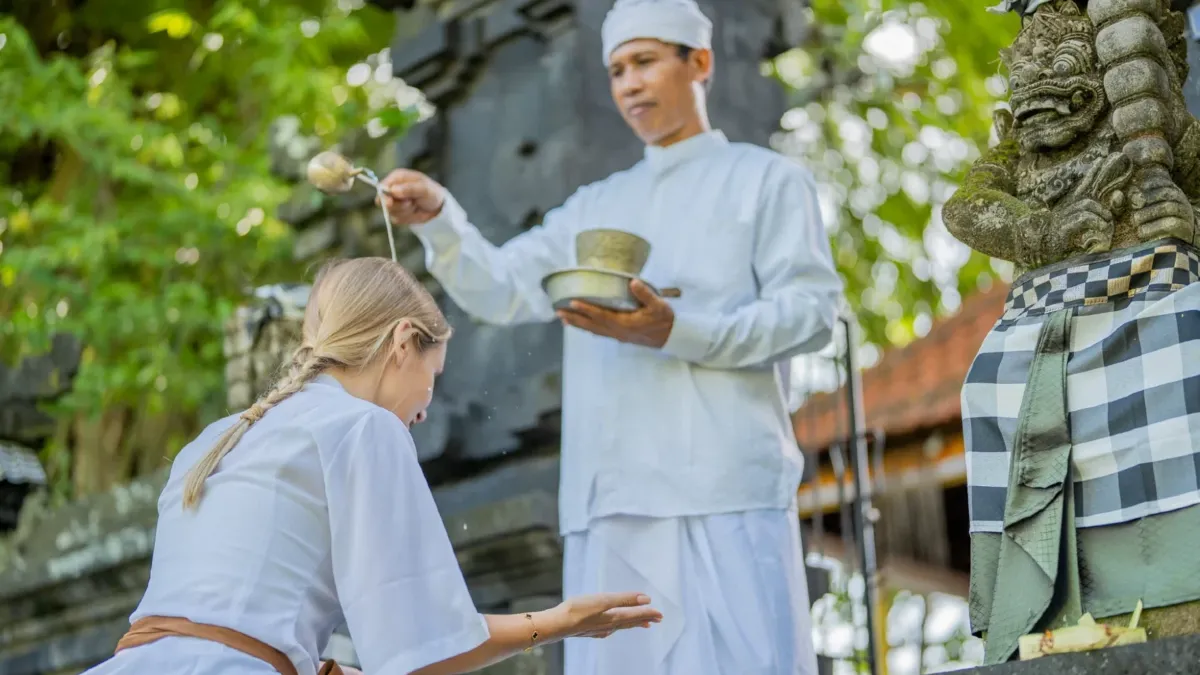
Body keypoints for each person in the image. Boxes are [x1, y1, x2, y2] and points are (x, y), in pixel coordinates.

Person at [377, 1, 843, 673]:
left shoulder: (768, 180)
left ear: (700, 62)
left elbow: (811, 313)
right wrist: (440, 219)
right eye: (617, 68)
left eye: (646, 61)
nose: (628, 83)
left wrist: (678, 331)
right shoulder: (597, 206)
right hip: (612, 495)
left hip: (728, 488)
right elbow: (503, 287)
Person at [81, 257, 663, 675]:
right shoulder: (364, 427)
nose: (427, 406)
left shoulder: (218, 437)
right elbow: (427, 650)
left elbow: (235, 611)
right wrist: (557, 621)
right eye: (433, 378)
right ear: (403, 341)